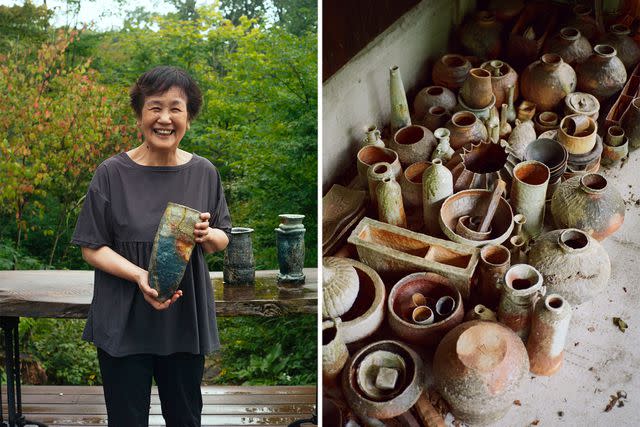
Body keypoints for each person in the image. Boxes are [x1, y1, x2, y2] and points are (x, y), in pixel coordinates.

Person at [71, 65, 232, 427]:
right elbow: (91, 247)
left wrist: (208, 237)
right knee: (127, 421)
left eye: (176, 108)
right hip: (122, 320)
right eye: (154, 107)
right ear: (140, 114)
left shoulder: (204, 172)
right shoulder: (111, 173)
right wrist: (140, 275)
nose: (165, 118)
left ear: (189, 115)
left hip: (183, 321)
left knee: (186, 418)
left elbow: (223, 236)